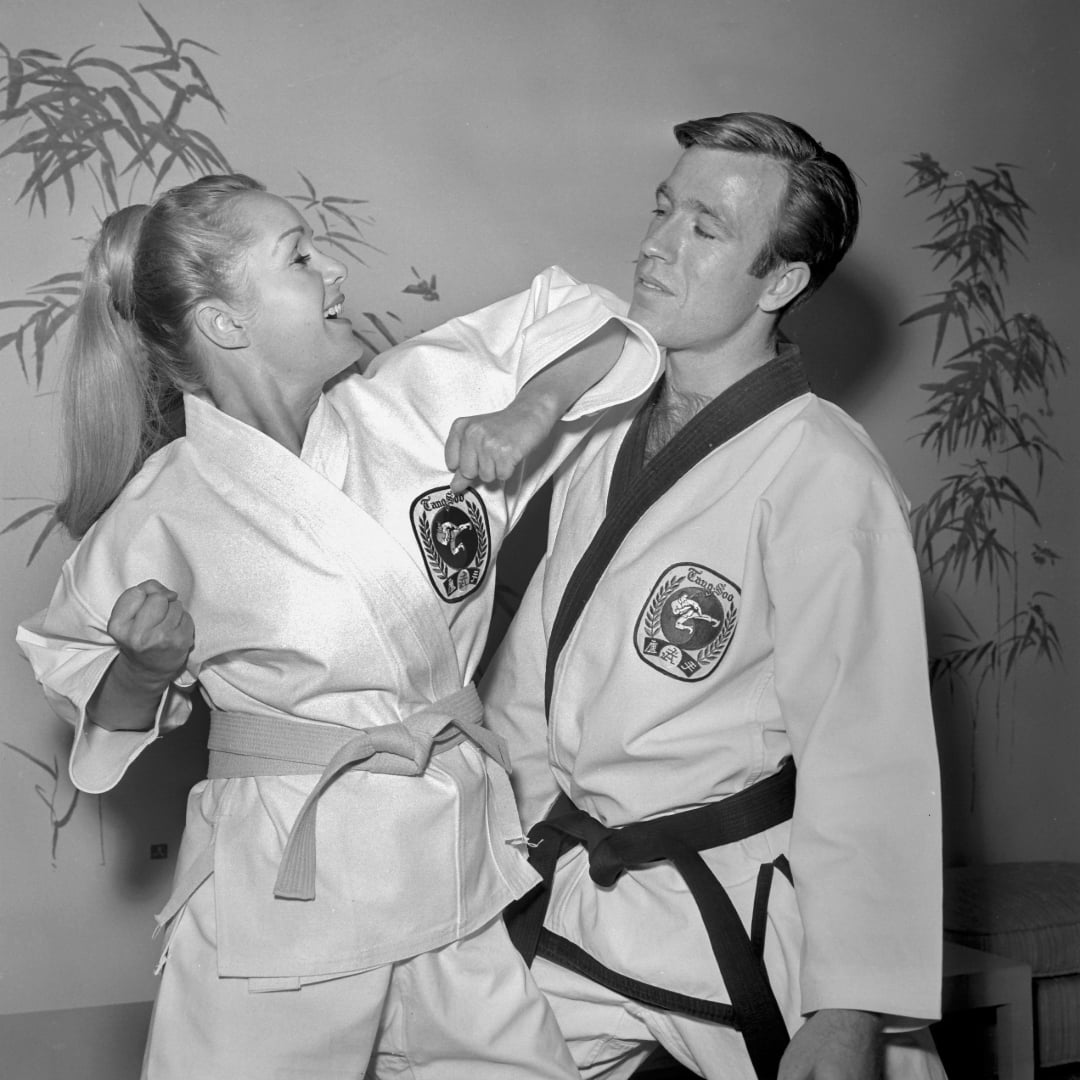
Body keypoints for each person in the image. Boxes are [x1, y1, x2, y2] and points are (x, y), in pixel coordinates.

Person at [15, 173, 663, 1079]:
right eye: (300, 257)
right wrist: (145, 669)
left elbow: (587, 319)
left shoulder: (413, 402)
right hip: (286, 894)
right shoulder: (161, 515)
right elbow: (91, 699)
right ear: (226, 322)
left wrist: (532, 409)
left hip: (452, 860)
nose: (337, 274)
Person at [481, 112, 946, 1080]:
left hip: (730, 917)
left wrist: (851, 1004)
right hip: (579, 903)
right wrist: (502, 863)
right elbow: (529, 687)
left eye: (704, 226)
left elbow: (867, 758)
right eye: (663, 209)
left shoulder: (822, 472)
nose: (656, 244)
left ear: (779, 282)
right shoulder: (600, 441)